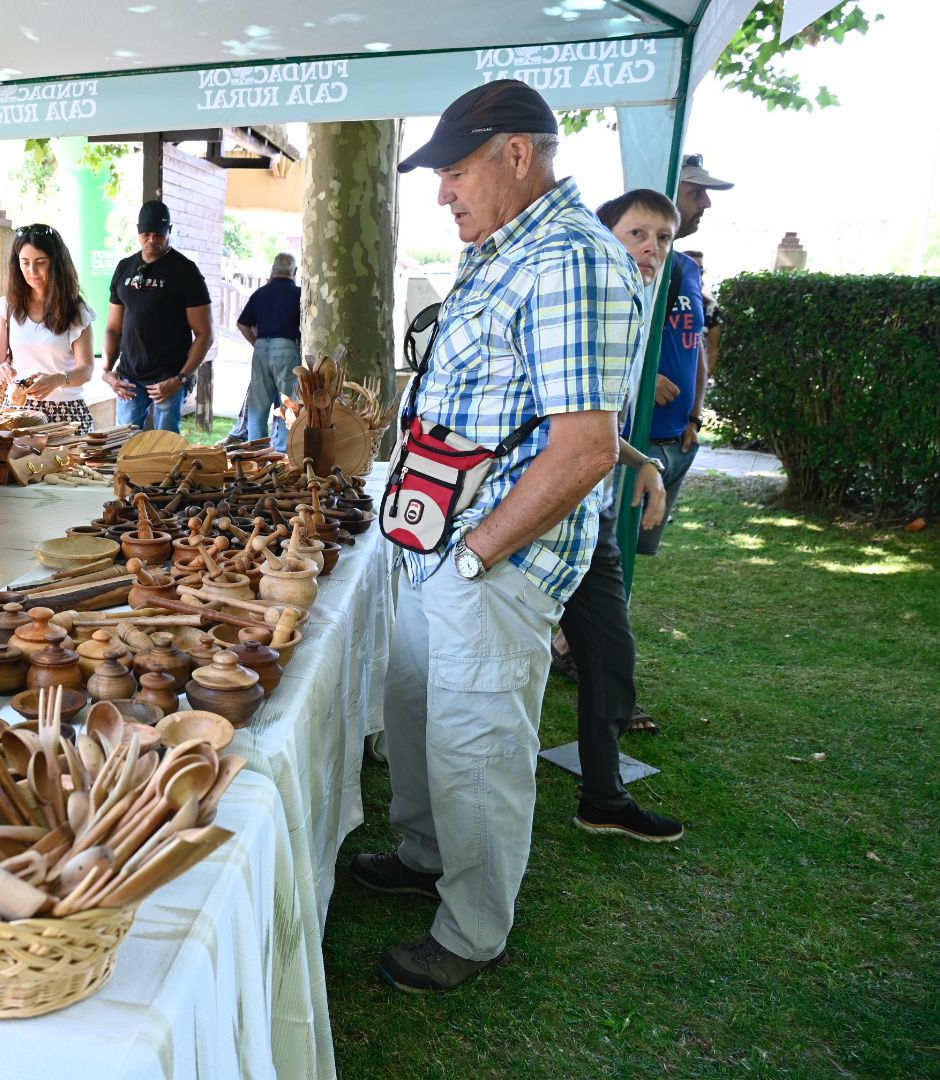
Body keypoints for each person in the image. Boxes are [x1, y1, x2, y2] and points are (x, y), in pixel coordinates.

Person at [356, 80, 644, 992]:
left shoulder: (571, 259)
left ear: (518, 154)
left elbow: (586, 448)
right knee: (414, 714)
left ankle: (473, 927)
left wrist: (481, 554)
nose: (443, 191)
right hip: (433, 540)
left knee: (478, 746)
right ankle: (423, 854)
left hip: (492, 555)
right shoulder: (502, 247)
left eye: (454, 170)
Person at [545, 188, 684, 842]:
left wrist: (644, 464)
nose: (652, 248)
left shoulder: (632, 312)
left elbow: (598, 430)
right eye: (638, 233)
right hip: (539, 519)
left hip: (590, 523)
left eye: (662, 236)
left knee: (611, 658)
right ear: (604, 237)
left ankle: (603, 796)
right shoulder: (580, 307)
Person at [637, 154, 734, 556]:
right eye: (696, 192)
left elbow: (696, 347)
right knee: (606, 558)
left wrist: (696, 414)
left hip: (680, 441)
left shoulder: (686, 269)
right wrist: (642, 378)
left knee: (635, 555)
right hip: (637, 442)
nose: (706, 204)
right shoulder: (630, 267)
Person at [102, 200, 213, 432]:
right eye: (146, 234)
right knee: (125, 443)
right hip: (129, 377)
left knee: (165, 447)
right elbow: (113, 327)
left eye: (158, 235)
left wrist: (180, 379)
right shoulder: (124, 268)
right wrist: (107, 371)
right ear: (137, 231)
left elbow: (205, 334)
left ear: (169, 231)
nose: (152, 240)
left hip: (168, 377)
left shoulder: (185, 271)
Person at [0, 224, 96, 432]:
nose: (31, 271)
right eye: (24, 262)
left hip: (67, 412)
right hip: (19, 411)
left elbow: (87, 369)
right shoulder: (7, 307)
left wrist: (58, 379)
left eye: (40, 262)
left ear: (56, 264)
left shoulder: (77, 310)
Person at [236, 252, 302, 451]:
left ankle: (256, 450)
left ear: (272, 270)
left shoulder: (260, 293)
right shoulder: (299, 294)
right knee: (288, 401)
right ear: (295, 272)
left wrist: (256, 342)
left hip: (262, 347)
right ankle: (283, 450)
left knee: (258, 402)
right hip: (287, 347)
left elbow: (242, 324)